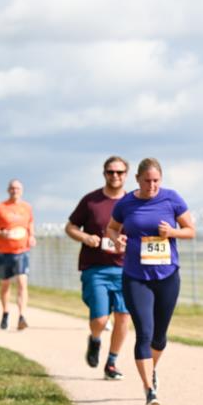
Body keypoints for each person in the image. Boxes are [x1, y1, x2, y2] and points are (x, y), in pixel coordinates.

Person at [106, 158, 195, 405]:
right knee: (144, 332)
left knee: (159, 337)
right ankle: (149, 390)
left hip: (167, 276)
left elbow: (191, 230)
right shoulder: (127, 203)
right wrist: (117, 240)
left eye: (156, 181)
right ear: (137, 179)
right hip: (135, 276)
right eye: (147, 181)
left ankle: (151, 369)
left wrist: (173, 232)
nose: (152, 185)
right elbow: (111, 228)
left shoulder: (172, 199)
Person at [65, 156, 132, 380]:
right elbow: (71, 226)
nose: (115, 176)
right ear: (104, 174)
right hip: (96, 268)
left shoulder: (133, 202)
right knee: (101, 320)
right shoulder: (91, 201)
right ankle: (95, 339)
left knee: (123, 317)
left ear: (126, 174)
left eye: (120, 172)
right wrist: (85, 237)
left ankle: (111, 363)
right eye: (111, 172)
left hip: (126, 269)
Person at [0, 179, 35, 330]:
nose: (15, 191)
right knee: (5, 284)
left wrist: (32, 236)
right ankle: (5, 312)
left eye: (18, 188)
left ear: (22, 190)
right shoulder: (0, 208)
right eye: (13, 188)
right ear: (8, 190)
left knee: (22, 282)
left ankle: (22, 316)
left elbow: (30, 223)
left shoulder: (27, 207)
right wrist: (1, 233)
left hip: (22, 250)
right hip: (3, 252)